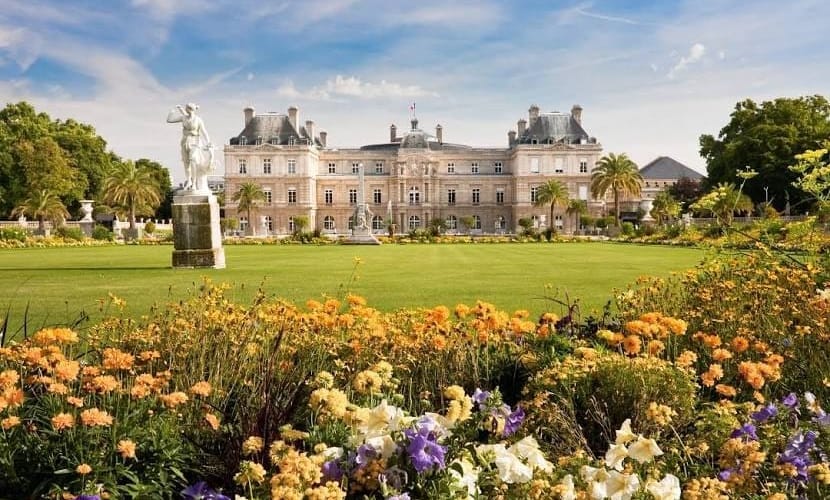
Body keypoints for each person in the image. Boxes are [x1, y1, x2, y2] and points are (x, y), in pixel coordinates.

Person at [166, 103, 213, 192]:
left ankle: (194, 183)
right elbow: (169, 120)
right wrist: (171, 112)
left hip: (195, 141)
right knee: (186, 162)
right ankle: (189, 181)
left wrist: (208, 142)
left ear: (194, 110)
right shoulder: (183, 118)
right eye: (188, 109)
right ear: (187, 110)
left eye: (191, 109)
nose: (189, 111)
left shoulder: (198, 120)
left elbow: (204, 132)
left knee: (193, 161)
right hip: (185, 141)